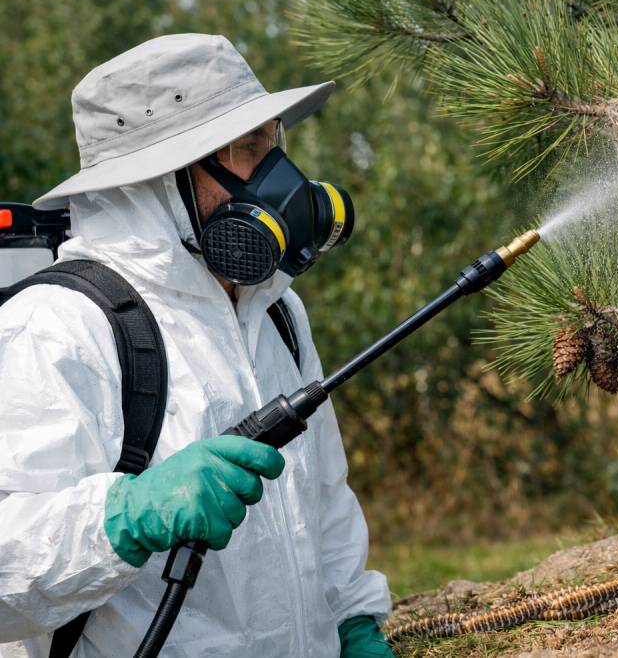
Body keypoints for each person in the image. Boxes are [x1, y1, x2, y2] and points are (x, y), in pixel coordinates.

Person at [0, 34, 393, 657]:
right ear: (161, 176)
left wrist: (351, 618)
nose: (278, 179)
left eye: (272, 144)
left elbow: (322, 496)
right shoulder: (55, 327)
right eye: (248, 149)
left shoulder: (275, 310)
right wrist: (124, 518)